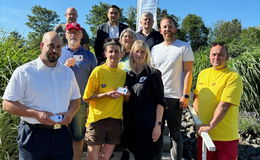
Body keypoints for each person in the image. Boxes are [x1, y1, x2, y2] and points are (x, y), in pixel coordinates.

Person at [2, 31, 81, 160]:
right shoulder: (24, 71)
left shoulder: (67, 73)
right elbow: (7, 104)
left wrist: (71, 113)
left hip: (61, 135)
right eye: (51, 46)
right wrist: (36, 114)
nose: (54, 50)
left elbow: (75, 99)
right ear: (41, 45)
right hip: (34, 135)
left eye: (58, 47)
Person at [151, 16, 194, 160]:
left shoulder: (184, 46)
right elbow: (152, 73)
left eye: (170, 26)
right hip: (157, 97)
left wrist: (185, 95)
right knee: (156, 131)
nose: (167, 29)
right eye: (164, 27)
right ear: (160, 30)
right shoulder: (155, 49)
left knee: (175, 135)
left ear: (175, 29)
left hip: (175, 98)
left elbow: (188, 71)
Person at [193, 42, 243, 160]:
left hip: (225, 137)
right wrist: (198, 121)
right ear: (209, 56)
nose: (216, 58)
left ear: (227, 57)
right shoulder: (203, 74)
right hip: (205, 134)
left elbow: (224, 105)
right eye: (213, 54)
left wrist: (210, 125)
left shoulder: (233, 77)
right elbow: (196, 97)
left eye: (220, 55)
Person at [59, 23, 97, 160]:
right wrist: (65, 66)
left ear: (81, 35)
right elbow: (51, 75)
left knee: (78, 136)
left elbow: (95, 81)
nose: (73, 34)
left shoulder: (89, 56)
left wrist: (90, 103)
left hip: (80, 104)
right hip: (59, 103)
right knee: (59, 136)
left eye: (76, 32)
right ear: (66, 35)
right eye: (70, 32)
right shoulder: (59, 52)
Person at [123, 40, 166, 160]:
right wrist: (126, 96)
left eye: (143, 51)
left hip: (149, 126)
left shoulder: (154, 74)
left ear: (147, 54)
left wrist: (158, 125)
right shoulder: (128, 75)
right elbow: (127, 102)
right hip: (132, 126)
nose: (139, 54)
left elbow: (160, 102)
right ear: (132, 53)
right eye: (137, 51)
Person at [83, 40, 126, 160]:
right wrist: (107, 94)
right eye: (110, 51)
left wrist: (127, 94)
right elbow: (86, 97)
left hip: (115, 120)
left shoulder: (123, 74)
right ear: (105, 53)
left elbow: (126, 98)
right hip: (97, 120)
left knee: (105, 157)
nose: (113, 54)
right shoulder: (98, 71)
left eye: (116, 51)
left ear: (121, 54)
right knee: (93, 157)